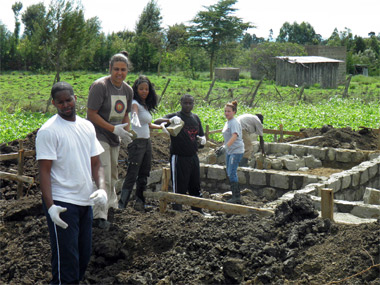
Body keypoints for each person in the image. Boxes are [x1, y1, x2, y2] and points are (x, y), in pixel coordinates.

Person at [36, 81, 107, 284]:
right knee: (67, 264)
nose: (66, 105)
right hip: (62, 204)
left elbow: (96, 163)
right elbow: (44, 171)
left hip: (85, 202)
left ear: (76, 98)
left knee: (82, 259)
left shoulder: (87, 126)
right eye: (61, 102)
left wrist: (101, 189)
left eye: (69, 100)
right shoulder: (49, 131)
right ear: (54, 103)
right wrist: (51, 207)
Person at [87, 53, 133, 229]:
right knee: (103, 176)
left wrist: (127, 134)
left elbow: (126, 114)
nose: (119, 73)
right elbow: (91, 114)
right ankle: (99, 215)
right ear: (110, 69)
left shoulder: (128, 90)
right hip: (99, 136)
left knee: (113, 174)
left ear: (127, 70)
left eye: (123, 69)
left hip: (115, 137)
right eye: (116, 69)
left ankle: (111, 206)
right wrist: (114, 128)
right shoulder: (101, 87)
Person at [118, 75, 168, 211]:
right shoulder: (135, 103)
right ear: (136, 89)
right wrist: (133, 117)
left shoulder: (145, 106)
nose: (144, 91)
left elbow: (149, 124)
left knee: (144, 172)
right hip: (137, 143)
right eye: (141, 89)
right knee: (132, 173)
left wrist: (162, 126)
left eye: (146, 89)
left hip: (146, 142)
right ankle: (122, 204)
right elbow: (133, 113)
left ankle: (140, 202)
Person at [154, 94, 207, 212]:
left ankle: (197, 209)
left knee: (195, 184)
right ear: (181, 103)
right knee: (179, 185)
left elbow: (200, 136)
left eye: (190, 103)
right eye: (185, 103)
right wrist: (169, 120)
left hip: (193, 156)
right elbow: (156, 121)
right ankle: (177, 211)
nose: (188, 105)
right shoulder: (176, 116)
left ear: (193, 104)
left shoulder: (195, 118)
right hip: (179, 157)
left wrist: (202, 140)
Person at [216, 101, 244, 204]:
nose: (226, 113)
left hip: (236, 151)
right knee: (229, 172)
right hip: (230, 150)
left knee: (232, 173)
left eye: (229, 111)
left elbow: (234, 136)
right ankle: (235, 195)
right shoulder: (227, 122)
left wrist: (225, 147)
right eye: (225, 111)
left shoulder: (234, 122)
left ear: (234, 112)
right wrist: (224, 147)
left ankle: (236, 197)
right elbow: (227, 137)